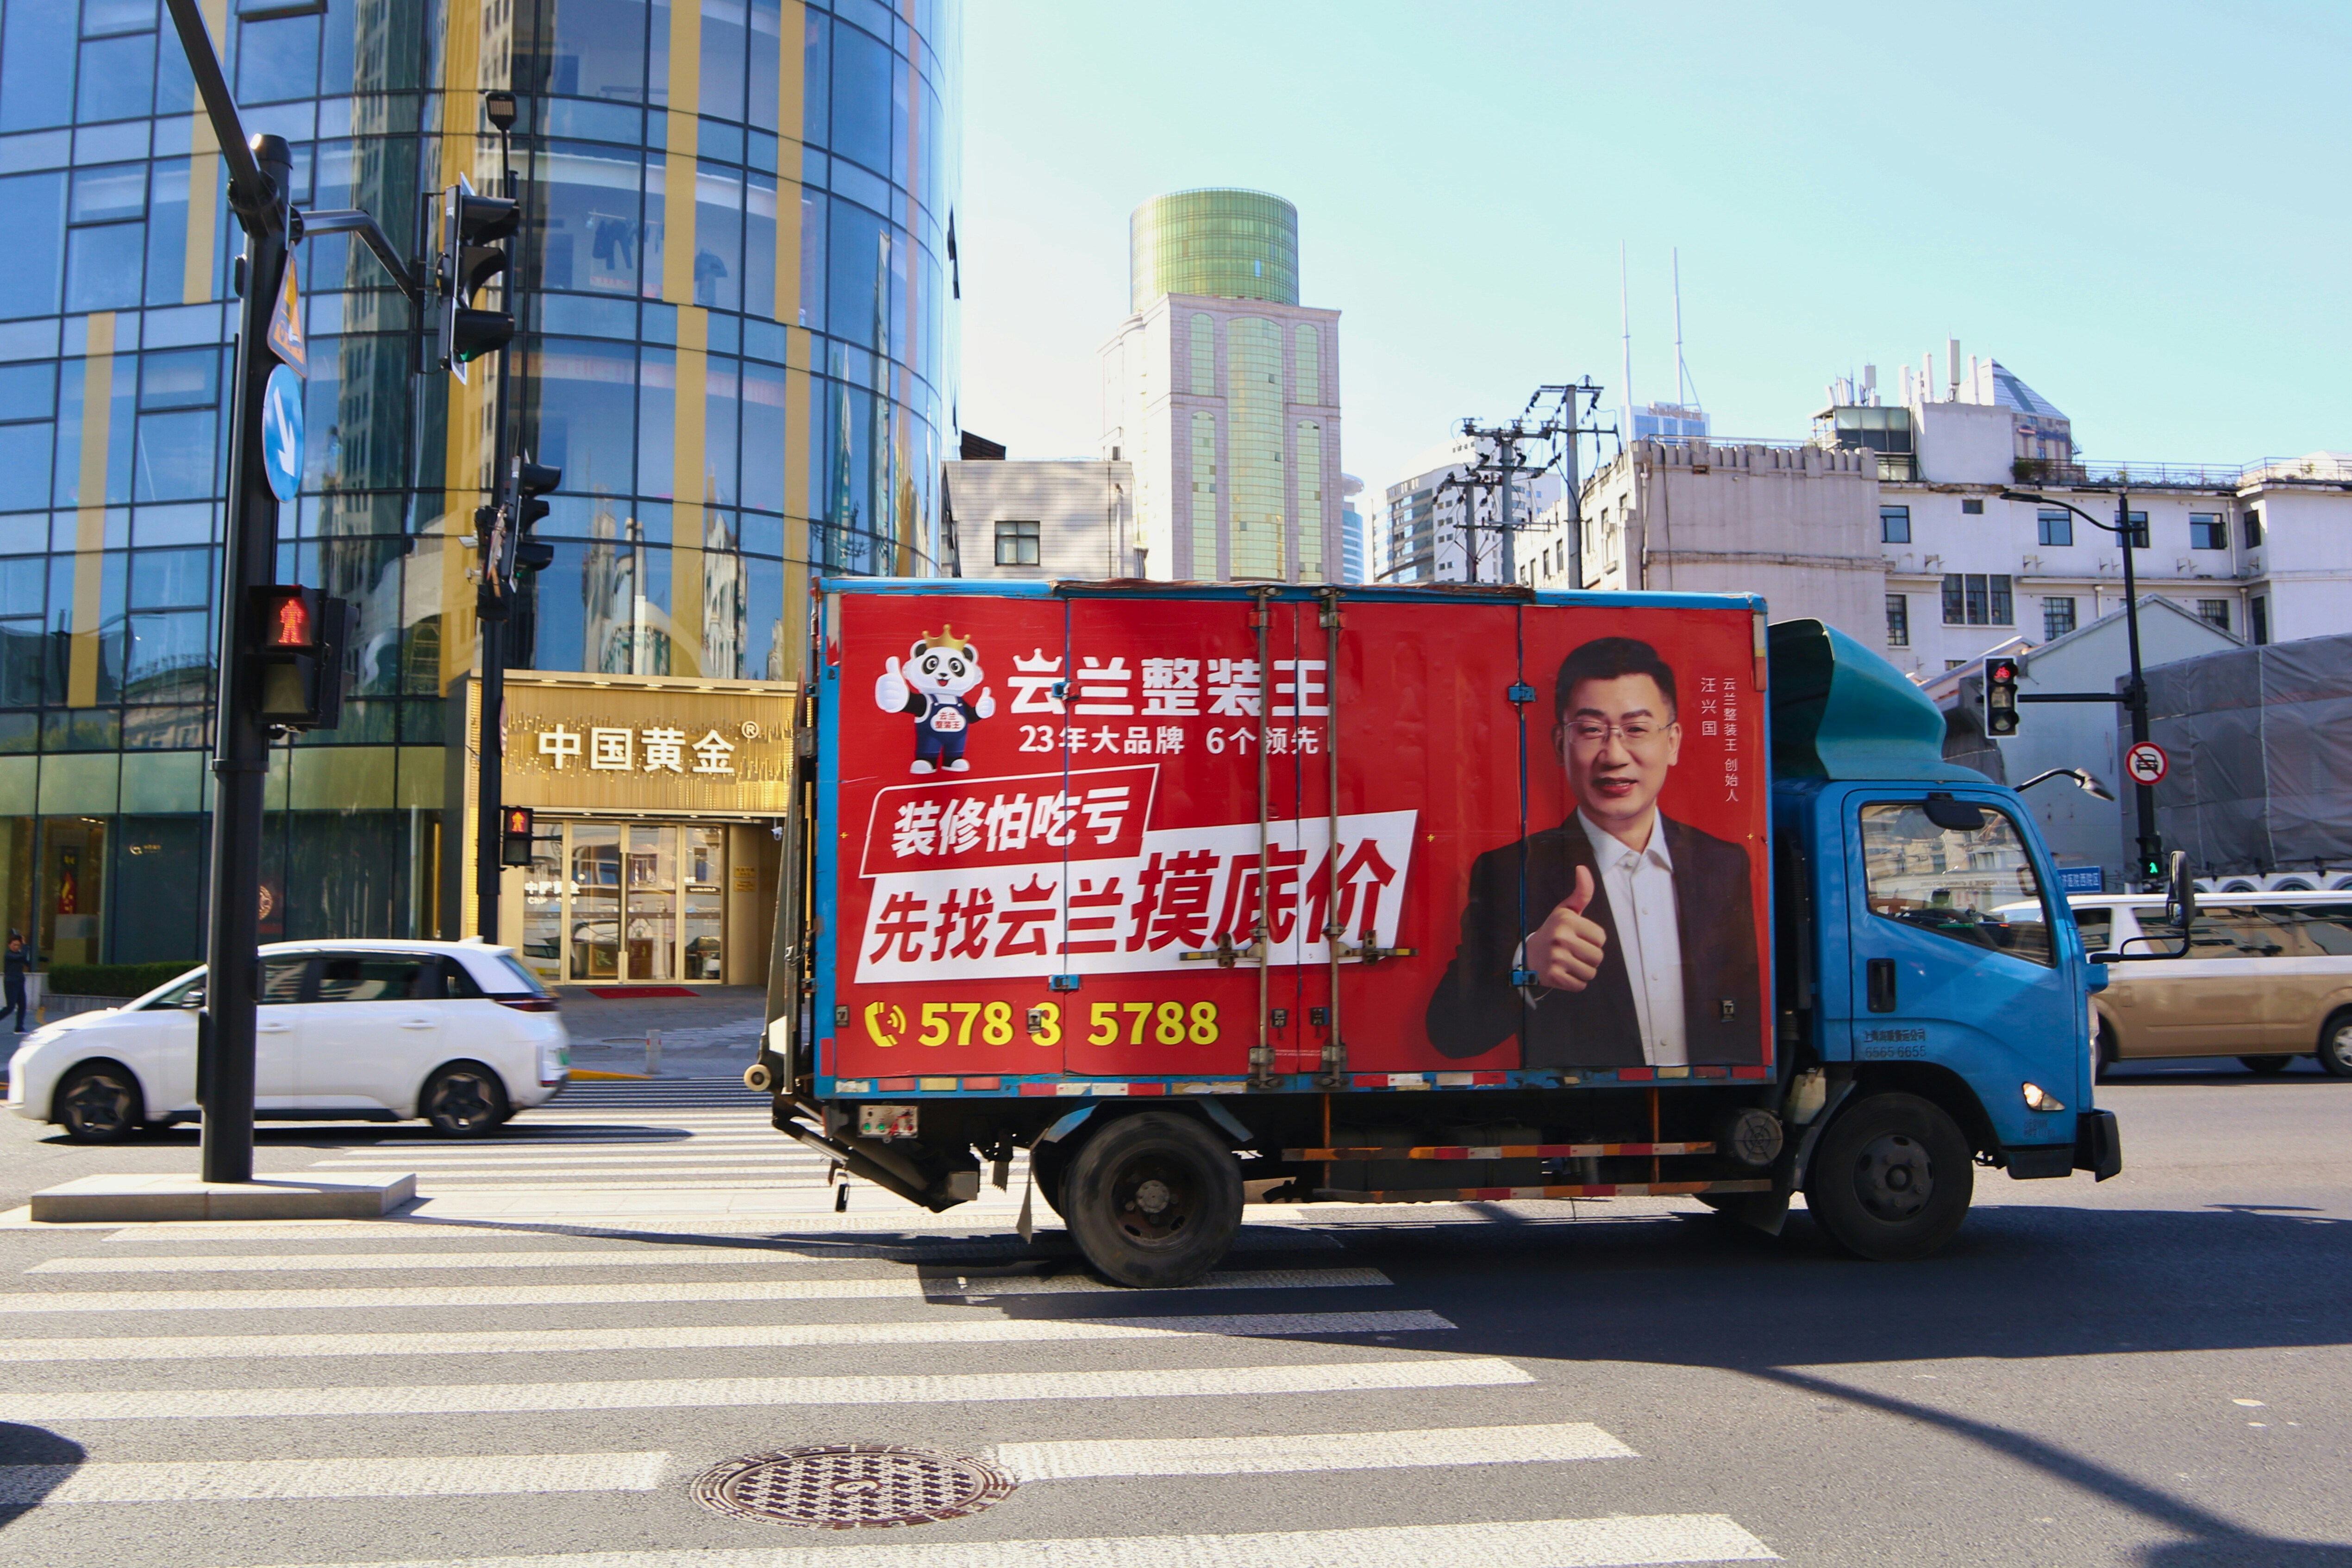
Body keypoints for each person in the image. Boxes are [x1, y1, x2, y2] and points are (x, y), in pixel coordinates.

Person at [1427, 636, 1762, 1067]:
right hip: (1588, 1115)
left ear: (1673, 742)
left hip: (1700, 1107)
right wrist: (1526, 969)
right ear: (1560, 745)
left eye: (1637, 729)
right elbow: (1450, 1032)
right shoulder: (1512, 870)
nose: (1614, 755)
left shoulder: (1724, 861)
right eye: (1590, 730)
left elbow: (1743, 1017)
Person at [4, 931, 30, 1033]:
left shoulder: (19, 954)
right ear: (9, 945)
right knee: (10, 1007)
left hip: (20, 982)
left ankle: (19, 1027)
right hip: (11, 982)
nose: (16, 947)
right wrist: (25, 946)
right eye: (14, 945)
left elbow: (27, 962)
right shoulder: (9, 955)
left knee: (23, 1005)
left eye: (18, 945)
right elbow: (22, 957)